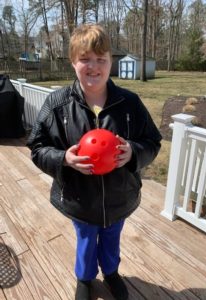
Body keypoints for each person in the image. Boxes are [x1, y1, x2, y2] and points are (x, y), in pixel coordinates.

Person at [27, 24, 162, 300]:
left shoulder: (130, 103)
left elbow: (153, 141)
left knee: (112, 238)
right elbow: (37, 146)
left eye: (101, 59)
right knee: (86, 239)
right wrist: (64, 158)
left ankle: (111, 273)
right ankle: (85, 278)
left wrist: (133, 152)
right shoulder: (57, 104)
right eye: (85, 58)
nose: (93, 66)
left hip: (119, 196)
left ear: (111, 62)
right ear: (73, 61)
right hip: (80, 198)